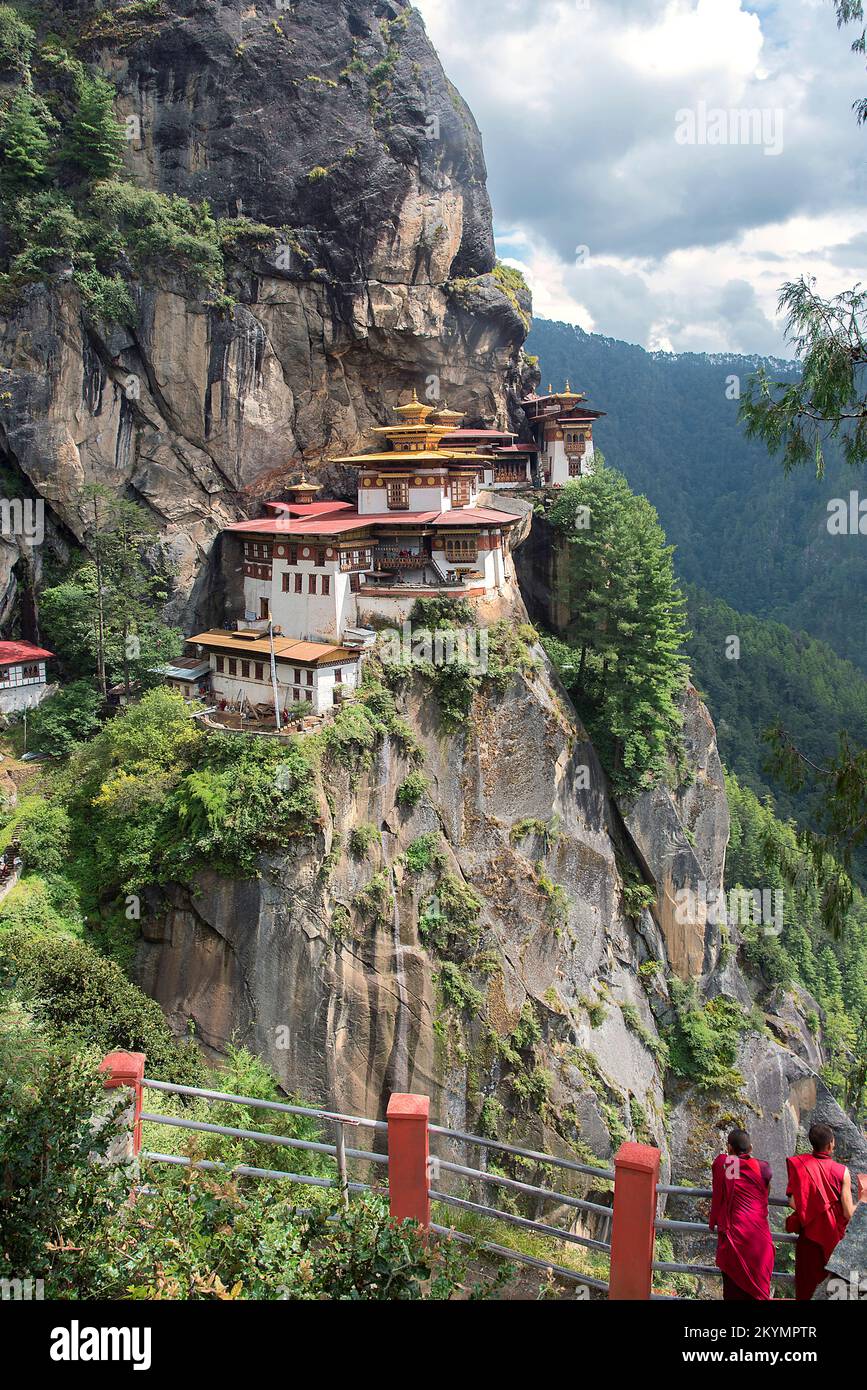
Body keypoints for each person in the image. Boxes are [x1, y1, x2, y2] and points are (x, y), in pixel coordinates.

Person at [786, 1123, 854, 1300]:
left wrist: (814, 1207)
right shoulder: (842, 1171)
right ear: (831, 1144)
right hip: (834, 1240)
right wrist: (862, 1200)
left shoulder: (800, 1165)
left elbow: (794, 1203)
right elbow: (848, 1213)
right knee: (837, 1290)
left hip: (809, 1238)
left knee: (807, 1288)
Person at [709, 1128, 775, 1301]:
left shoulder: (728, 1164)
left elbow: (729, 1171)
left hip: (735, 1239)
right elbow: (765, 1194)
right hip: (759, 1241)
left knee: (733, 1294)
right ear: (751, 1148)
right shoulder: (763, 1168)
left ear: (729, 1148)